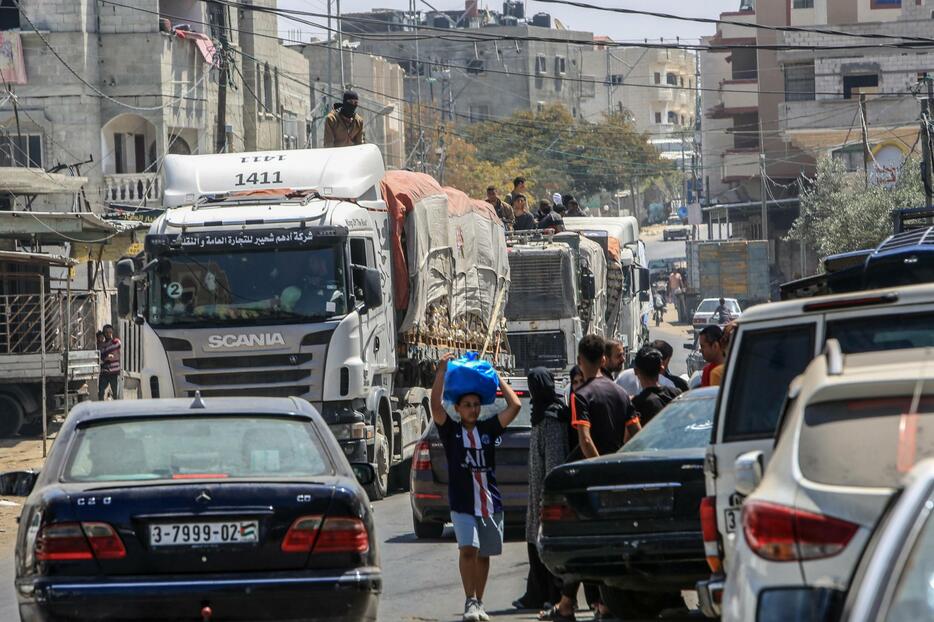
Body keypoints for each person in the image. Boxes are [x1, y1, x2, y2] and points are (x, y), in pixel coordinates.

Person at [542, 335, 634, 622]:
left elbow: (584, 439)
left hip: (592, 481)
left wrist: (598, 469)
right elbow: (636, 434)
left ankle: (572, 604)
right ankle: (593, 604)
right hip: (618, 476)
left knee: (582, 544)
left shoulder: (580, 395)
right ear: (604, 360)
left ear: (580, 361)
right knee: (610, 543)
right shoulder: (620, 393)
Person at [431, 353, 522, 622]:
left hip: (490, 503)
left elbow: (514, 405)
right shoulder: (451, 432)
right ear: (457, 408)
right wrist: (441, 372)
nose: (472, 409)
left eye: (475, 405)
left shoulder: (488, 429)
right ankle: (469, 600)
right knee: (468, 549)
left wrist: (497, 376)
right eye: (466, 405)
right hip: (462, 503)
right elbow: (436, 405)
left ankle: (479, 602)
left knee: (484, 554)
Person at [514, 367, 568, 612]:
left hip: (548, 495)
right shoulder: (538, 415)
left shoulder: (553, 417)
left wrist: (549, 497)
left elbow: (554, 462)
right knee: (534, 543)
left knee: (548, 545)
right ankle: (535, 594)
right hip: (536, 491)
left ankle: (553, 595)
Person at [630, 347, 681, 430]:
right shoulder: (677, 394)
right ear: (661, 369)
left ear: (636, 371)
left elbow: (630, 437)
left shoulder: (636, 404)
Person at [97, 324, 122, 400]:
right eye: (107, 332)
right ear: (104, 334)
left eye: (110, 332)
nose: (109, 334)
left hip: (114, 373)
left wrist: (105, 352)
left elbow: (115, 346)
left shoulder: (116, 342)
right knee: (101, 392)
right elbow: (100, 357)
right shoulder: (101, 345)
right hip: (105, 372)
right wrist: (106, 357)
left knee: (115, 394)